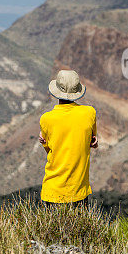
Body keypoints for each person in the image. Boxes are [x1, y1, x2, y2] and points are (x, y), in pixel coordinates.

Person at [38, 69, 98, 206]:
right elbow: (91, 141)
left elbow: (52, 151)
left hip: (52, 191)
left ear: (56, 91)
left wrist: (43, 142)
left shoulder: (46, 119)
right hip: (78, 191)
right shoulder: (90, 113)